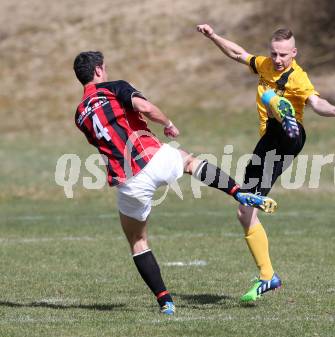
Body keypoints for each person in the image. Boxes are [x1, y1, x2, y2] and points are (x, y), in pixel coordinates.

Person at [73, 51, 278, 315]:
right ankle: (238, 192)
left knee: (137, 240)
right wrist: (168, 123)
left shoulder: (79, 114)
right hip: (153, 157)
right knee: (190, 163)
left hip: (129, 180)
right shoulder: (112, 88)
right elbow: (145, 107)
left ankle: (165, 302)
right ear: (99, 70)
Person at [196, 24, 335, 302]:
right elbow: (238, 54)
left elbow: (316, 103)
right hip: (268, 146)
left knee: (274, 104)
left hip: (289, 136)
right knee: (245, 211)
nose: (278, 59)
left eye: (284, 54)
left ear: (294, 53)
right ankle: (268, 276)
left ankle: (284, 114)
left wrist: (334, 110)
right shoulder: (265, 65)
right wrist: (213, 36)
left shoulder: (298, 78)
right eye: (274, 53)